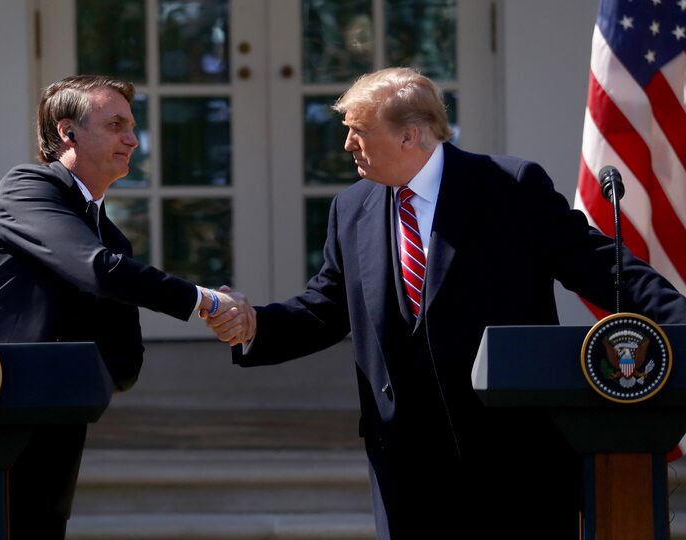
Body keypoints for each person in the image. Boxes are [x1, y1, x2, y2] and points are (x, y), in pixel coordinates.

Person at [205, 67, 686, 539]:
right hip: (406, 465)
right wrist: (253, 325)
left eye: (359, 131)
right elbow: (324, 307)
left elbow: (599, 264)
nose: (348, 144)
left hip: (511, 457)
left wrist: (679, 321)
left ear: (409, 135)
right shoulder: (351, 208)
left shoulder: (508, 186)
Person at [0, 74, 253, 539]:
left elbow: (124, 365)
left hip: (48, 458)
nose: (132, 139)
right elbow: (97, 270)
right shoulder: (28, 189)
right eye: (116, 125)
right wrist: (205, 301)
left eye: (132, 126)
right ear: (68, 133)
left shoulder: (110, 237)